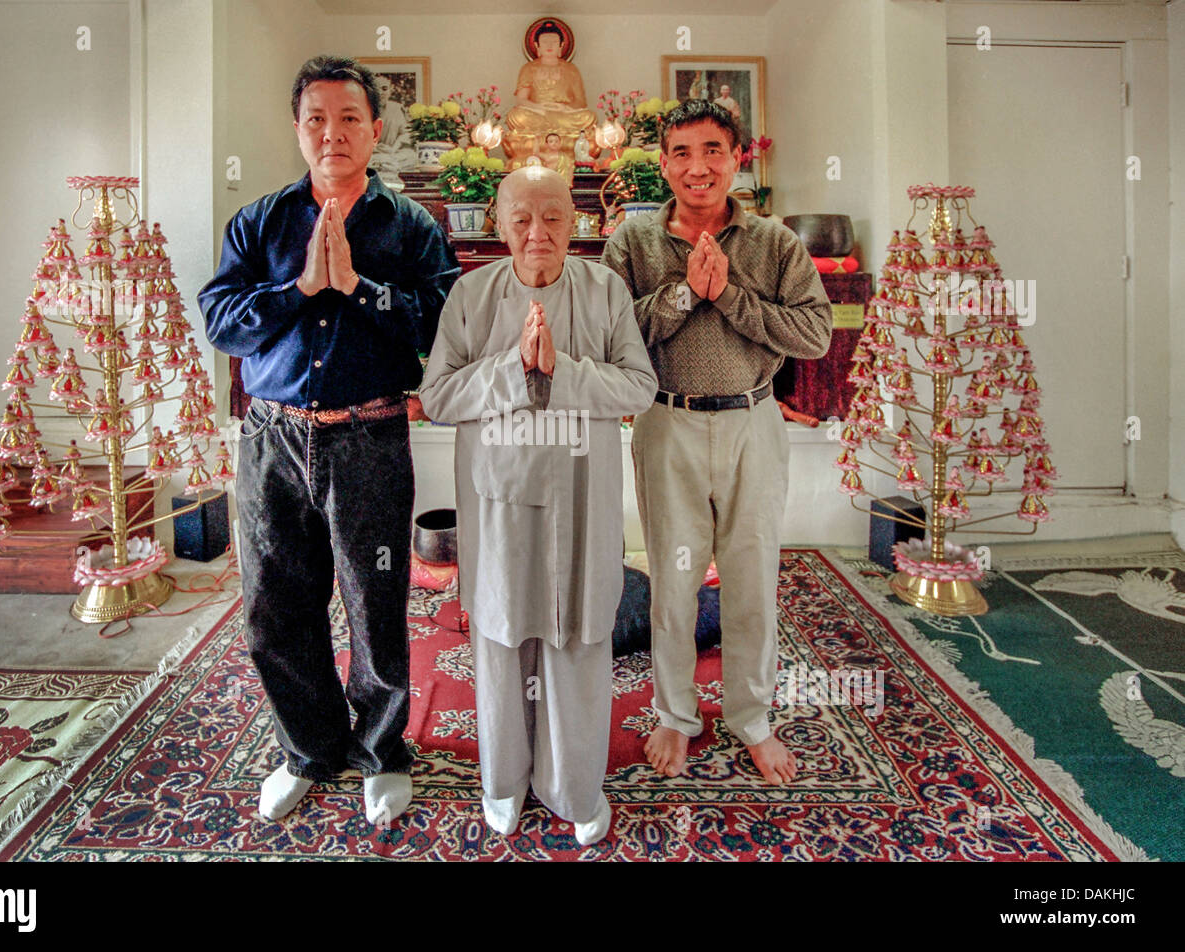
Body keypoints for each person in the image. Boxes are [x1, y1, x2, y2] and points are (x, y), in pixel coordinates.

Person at [198, 55, 460, 826]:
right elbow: (221, 321)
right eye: (316, 118)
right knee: (277, 603)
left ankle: (381, 751)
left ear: (376, 131)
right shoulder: (260, 222)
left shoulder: (410, 226)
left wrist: (359, 287)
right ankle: (309, 749)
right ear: (298, 129)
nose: (332, 133)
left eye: (349, 118)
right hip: (272, 438)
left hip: (369, 436)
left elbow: (441, 330)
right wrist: (301, 288)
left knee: (375, 601)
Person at [418, 166, 656, 846]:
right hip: (500, 499)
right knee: (500, 633)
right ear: (499, 225)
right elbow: (438, 395)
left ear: (575, 222)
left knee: (581, 635)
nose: (537, 232)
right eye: (522, 218)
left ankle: (573, 785)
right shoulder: (471, 294)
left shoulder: (605, 289)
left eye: (553, 217)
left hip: (582, 495)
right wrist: (513, 370)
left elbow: (639, 387)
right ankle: (503, 781)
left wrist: (564, 372)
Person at [601, 99, 831, 784]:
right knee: (673, 579)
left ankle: (751, 717)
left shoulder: (775, 243)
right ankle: (675, 713)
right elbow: (609, 337)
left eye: (713, 151)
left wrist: (730, 295)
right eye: (681, 153)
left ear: (738, 159)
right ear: (664, 163)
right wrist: (679, 297)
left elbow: (814, 335)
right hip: (666, 422)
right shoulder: (634, 243)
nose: (697, 168)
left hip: (753, 424)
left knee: (753, 575)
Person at [504, 21, 596, 169]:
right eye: (545, 42)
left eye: (554, 42)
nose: (549, 45)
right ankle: (561, 148)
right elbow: (521, 100)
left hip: (564, 115)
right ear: (537, 46)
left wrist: (563, 108)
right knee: (516, 116)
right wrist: (539, 108)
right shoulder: (528, 68)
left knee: (589, 117)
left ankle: (536, 147)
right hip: (537, 113)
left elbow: (580, 102)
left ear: (561, 46)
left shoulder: (571, 69)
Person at [368, 75, 415, 173]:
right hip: (371, 153)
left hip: (393, 153)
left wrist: (393, 149)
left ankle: (384, 164)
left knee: (412, 157)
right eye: (377, 89)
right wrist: (374, 148)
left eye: (384, 89)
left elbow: (405, 134)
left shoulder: (396, 108)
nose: (381, 93)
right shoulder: (364, 109)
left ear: (390, 90)